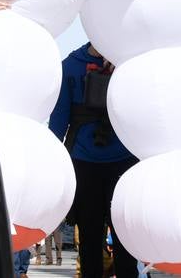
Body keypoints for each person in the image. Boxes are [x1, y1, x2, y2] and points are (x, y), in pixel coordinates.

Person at [49, 44, 138, 278]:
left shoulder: (130, 64)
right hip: (85, 163)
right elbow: (58, 121)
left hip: (123, 162)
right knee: (90, 237)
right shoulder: (69, 67)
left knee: (125, 237)